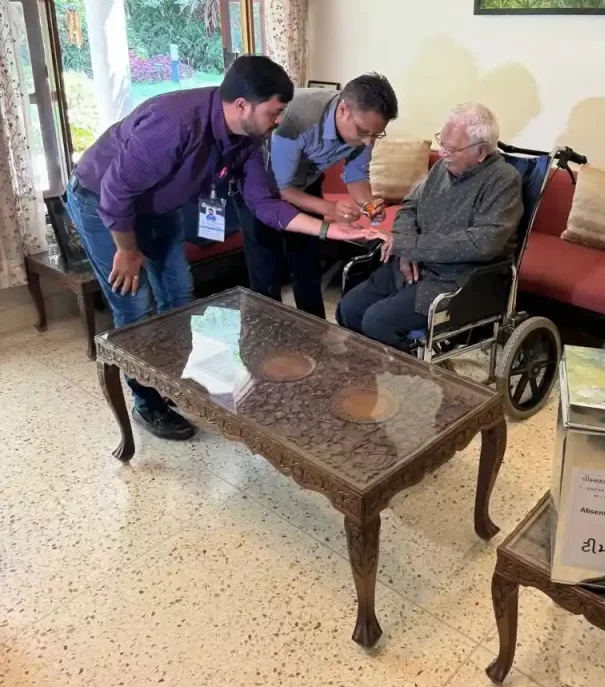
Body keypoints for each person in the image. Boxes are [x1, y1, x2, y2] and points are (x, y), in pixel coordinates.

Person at [66, 55, 377, 441]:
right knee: (135, 306)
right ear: (243, 105)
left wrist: (329, 231)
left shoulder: (247, 139)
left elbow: (265, 203)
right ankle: (147, 403)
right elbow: (116, 193)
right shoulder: (175, 123)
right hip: (101, 203)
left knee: (178, 296)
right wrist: (127, 250)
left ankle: (170, 383)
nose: (280, 121)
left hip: (159, 207)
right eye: (275, 112)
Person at [336, 103, 523, 351]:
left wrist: (411, 246)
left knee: (377, 323)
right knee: (348, 310)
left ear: (480, 152)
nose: (442, 153)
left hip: (454, 282)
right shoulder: (441, 169)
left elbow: (482, 243)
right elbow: (408, 208)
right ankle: (365, 380)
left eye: (451, 149)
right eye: (441, 143)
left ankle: (414, 379)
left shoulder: (504, 180)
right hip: (409, 266)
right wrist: (405, 249)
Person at [237, 73, 399, 319]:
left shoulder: (365, 127)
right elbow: (282, 188)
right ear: (343, 109)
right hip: (260, 185)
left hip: (303, 182)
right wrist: (329, 208)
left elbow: (356, 175)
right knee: (266, 269)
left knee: (307, 264)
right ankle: (265, 338)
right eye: (364, 132)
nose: (368, 142)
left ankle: (315, 333)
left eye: (376, 135)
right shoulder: (296, 119)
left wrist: (368, 205)